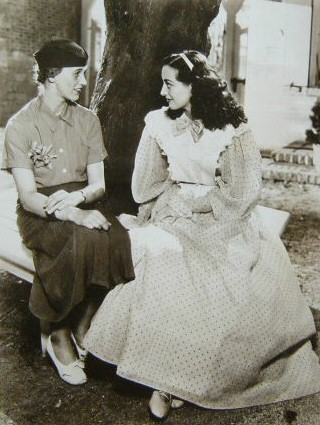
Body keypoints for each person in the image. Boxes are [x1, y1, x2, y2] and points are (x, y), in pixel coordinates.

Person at [84, 50, 320, 419]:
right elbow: (147, 184)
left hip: (223, 222)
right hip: (174, 212)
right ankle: (161, 376)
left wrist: (198, 209)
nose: (162, 91)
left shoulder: (232, 129)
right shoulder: (158, 123)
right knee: (157, 263)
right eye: (162, 82)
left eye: (169, 83)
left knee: (215, 285)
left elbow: (239, 194)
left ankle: (173, 383)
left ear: (195, 85)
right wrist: (171, 203)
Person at [1, 39, 134, 386]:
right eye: (76, 74)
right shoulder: (20, 126)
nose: (83, 82)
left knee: (116, 238)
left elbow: (99, 185)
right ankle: (57, 331)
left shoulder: (88, 120)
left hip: (82, 200)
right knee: (76, 239)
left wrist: (77, 201)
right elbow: (28, 196)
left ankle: (81, 322)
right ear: (51, 75)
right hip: (39, 211)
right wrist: (68, 213)